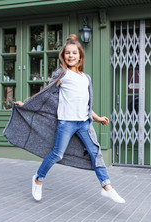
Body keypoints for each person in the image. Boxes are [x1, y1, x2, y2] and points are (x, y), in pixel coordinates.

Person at [14, 34, 125, 204]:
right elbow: (45, 94)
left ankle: (107, 187)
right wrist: (27, 105)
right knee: (57, 154)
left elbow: (86, 104)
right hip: (66, 122)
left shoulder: (85, 78)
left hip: (83, 123)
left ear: (80, 56)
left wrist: (97, 118)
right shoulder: (62, 74)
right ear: (63, 56)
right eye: (67, 53)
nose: (71, 56)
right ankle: (38, 178)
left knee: (95, 153)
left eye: (74, 53)